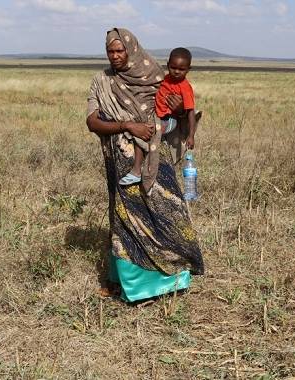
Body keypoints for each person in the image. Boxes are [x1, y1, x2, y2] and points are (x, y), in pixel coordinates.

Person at [86, 28, 204, 302]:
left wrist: (176, 111)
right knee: (128, 219)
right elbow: (92, 122)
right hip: (121, 160)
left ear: (131, 49)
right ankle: (135, 288)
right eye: (110, 51)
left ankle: (174, 278)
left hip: (155, 156)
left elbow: (175, 113)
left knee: (166, 212)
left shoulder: (156, 76)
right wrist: (127, 125)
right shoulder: (100, 81)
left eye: (120, 51)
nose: (115, 56)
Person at [119, 47, 197, 186]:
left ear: (188, 69)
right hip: (157, 116)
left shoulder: (185, 87)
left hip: (170, 120)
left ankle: (138, 171)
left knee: (147, 132)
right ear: (167, 65)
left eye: (182, 69)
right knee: (141, 129)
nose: (177, 72)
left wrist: (191, 135)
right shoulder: (164, 79)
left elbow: (191, 112)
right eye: (173, 67)